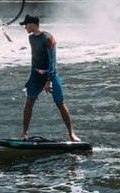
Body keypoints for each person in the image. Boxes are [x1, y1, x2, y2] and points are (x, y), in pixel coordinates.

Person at [19, 14, 81, 142]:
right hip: (36, 75)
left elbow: (53, 61)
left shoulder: (48, 38)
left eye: (26, 24)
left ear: (33, 24)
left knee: (60, 103)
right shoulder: (31, 38)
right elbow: (34, 59)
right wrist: (31, 78)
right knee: (29, 102)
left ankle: (71, 134)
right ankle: (24, 134)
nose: (25, 27)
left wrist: (49, 80)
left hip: (50, 75)